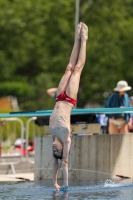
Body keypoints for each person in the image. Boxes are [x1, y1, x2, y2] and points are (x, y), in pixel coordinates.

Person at [49, 22, 88, 191]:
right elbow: (63, 163)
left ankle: (76, 39)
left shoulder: (53, 135)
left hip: (59, 98)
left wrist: (53, 182)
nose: (53, 147)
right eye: (56, 150)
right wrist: (63, 183)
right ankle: (84, 40)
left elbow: (54, 164)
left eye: (54, 150)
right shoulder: (66, 137)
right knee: (77, 69)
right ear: (62, 148)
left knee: (68, 68)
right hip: (69, 100)